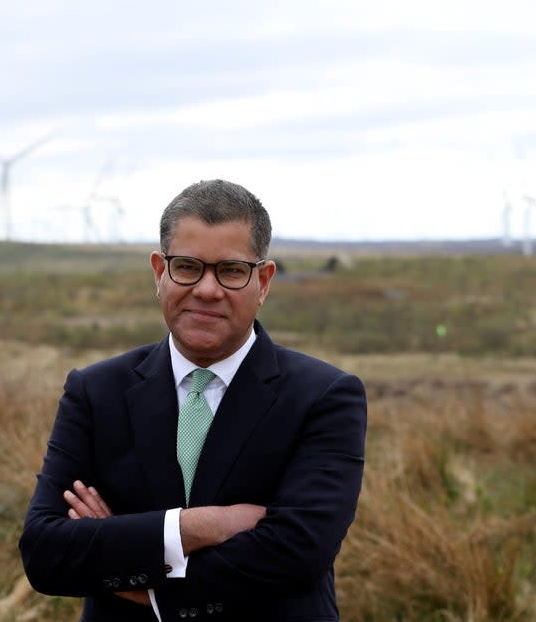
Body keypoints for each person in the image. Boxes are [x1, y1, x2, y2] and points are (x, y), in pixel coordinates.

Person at [19, 179, 367, 621]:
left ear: (262, 281)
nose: (206, 289)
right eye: (187, 266)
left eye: (231, 270)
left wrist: (128, 562)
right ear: (159, 273)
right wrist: (197, 528)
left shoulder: (324, 397)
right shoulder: (95, 391)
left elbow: (298, 555)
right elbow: (45, 554)